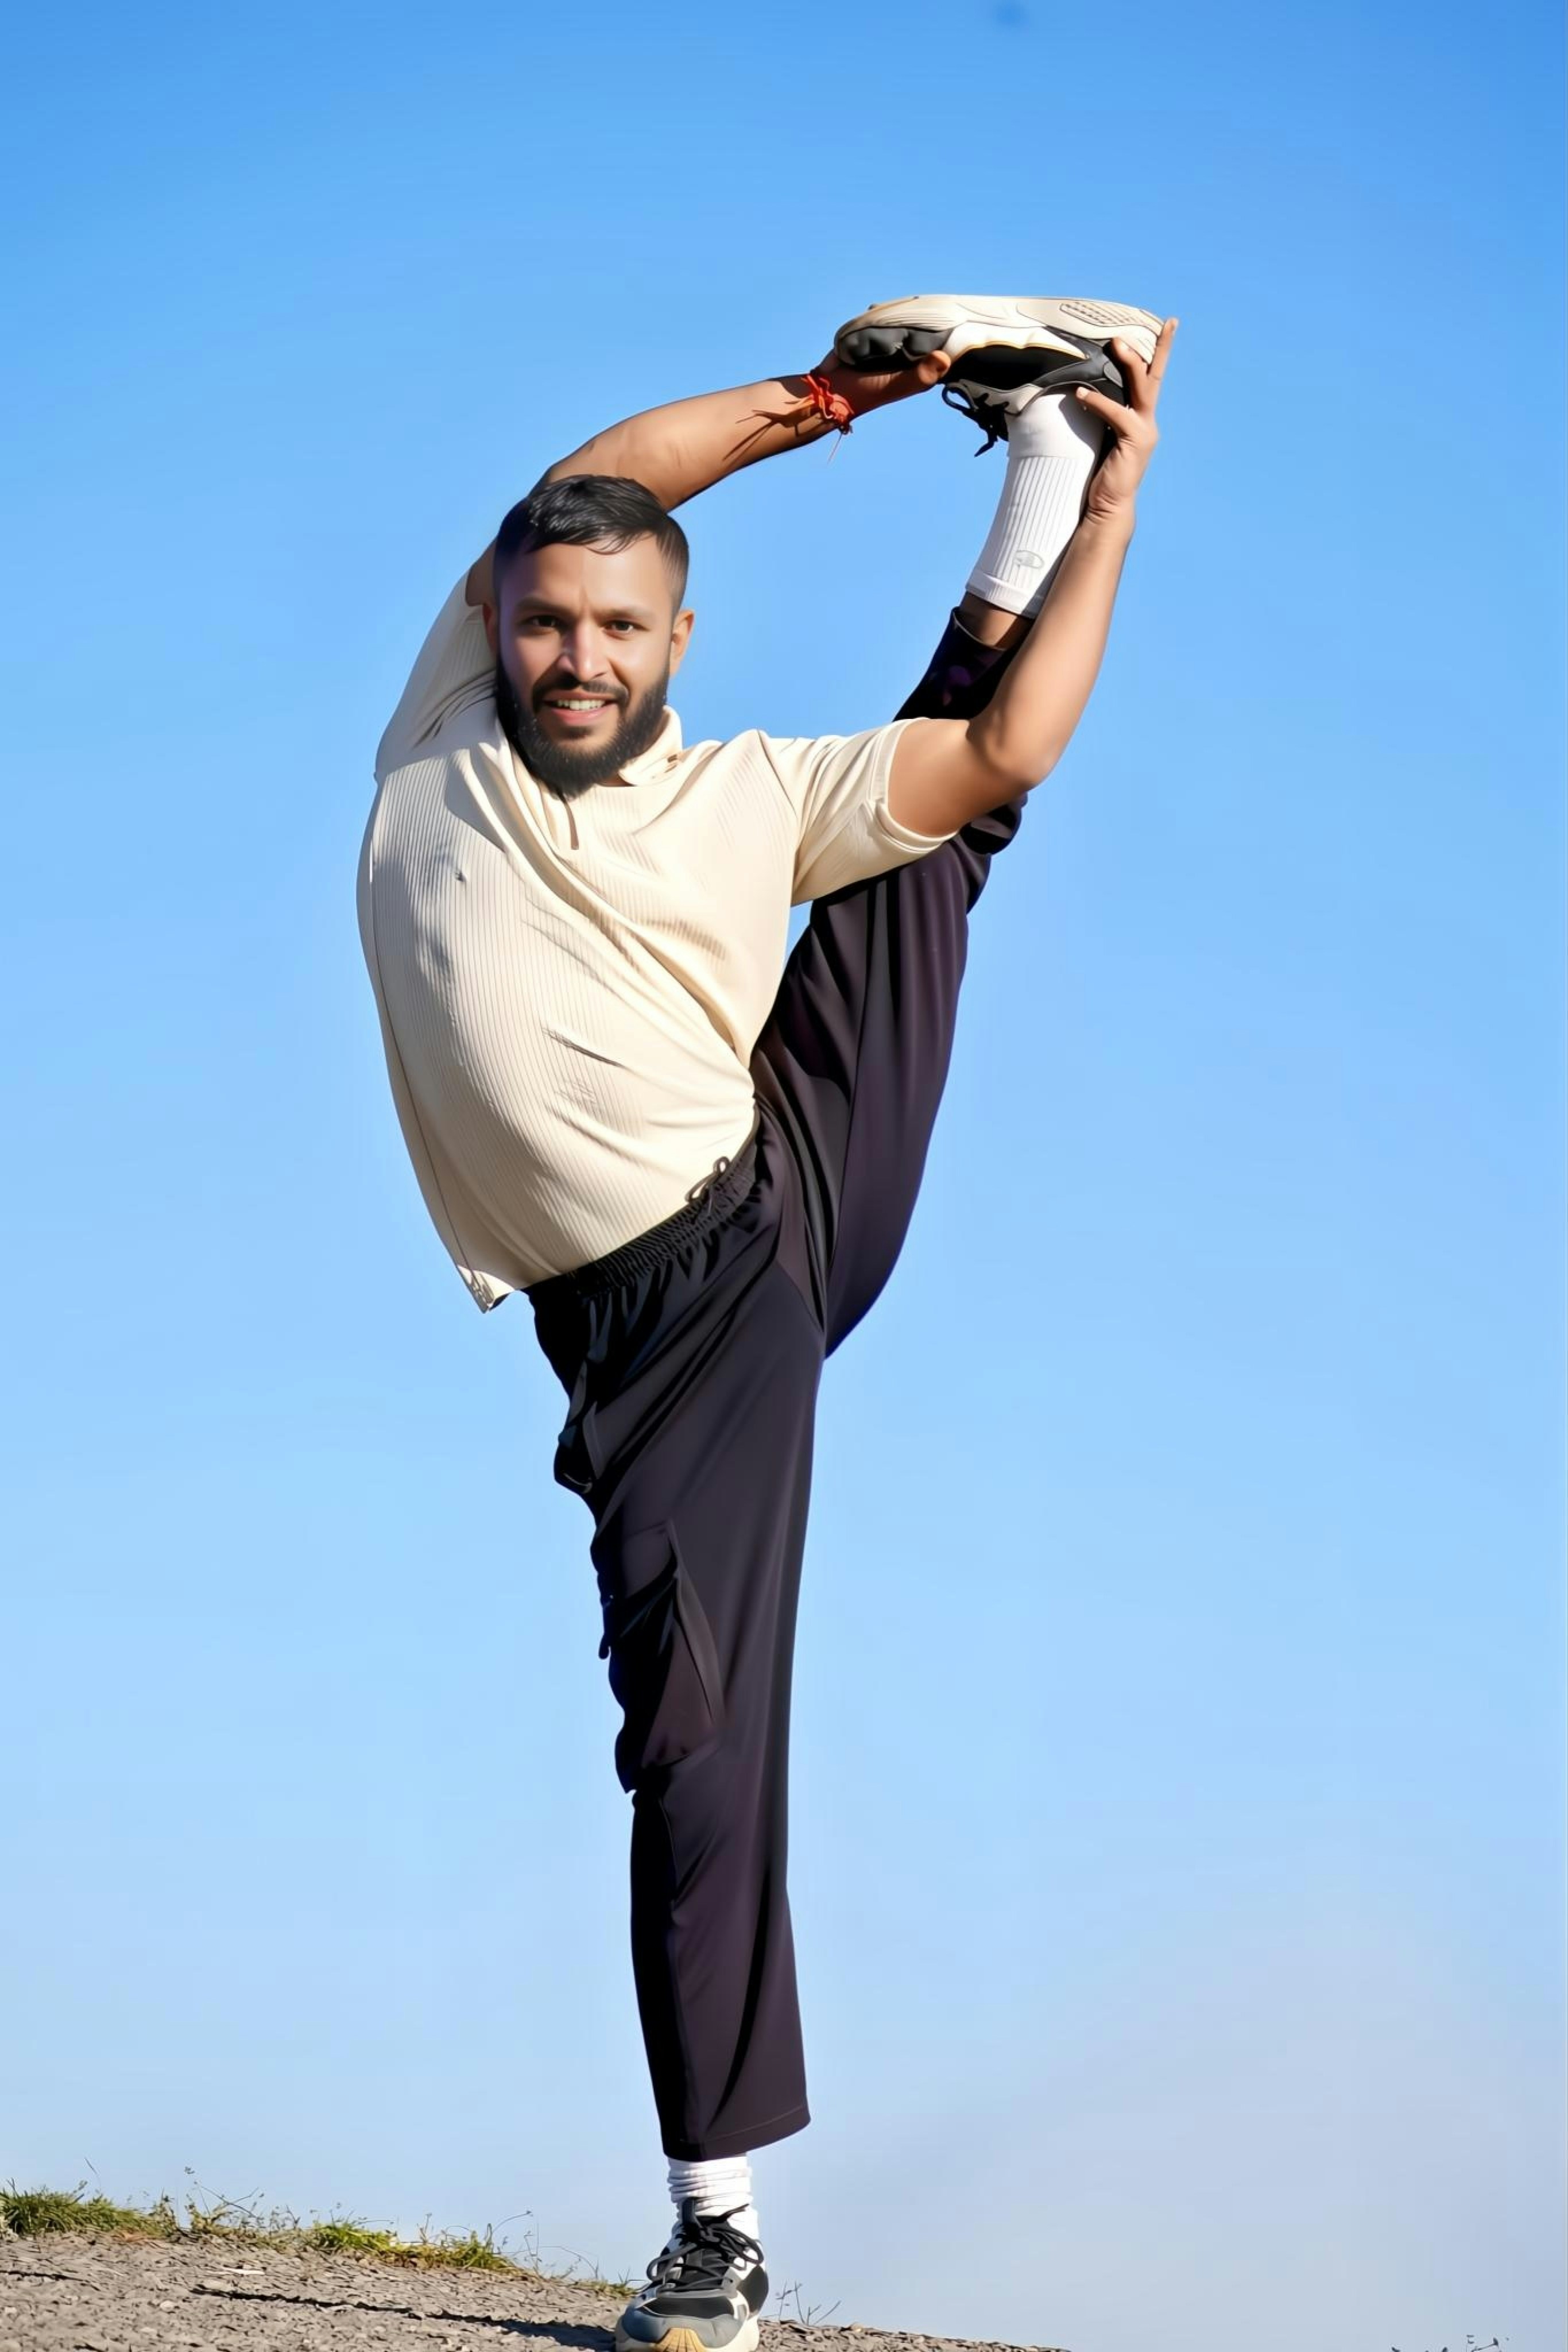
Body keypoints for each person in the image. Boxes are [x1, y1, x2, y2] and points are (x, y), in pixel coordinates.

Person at [357, 292, 1177, 2352]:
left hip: (742, 1277)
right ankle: (1033, 453)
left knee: (694, 1727)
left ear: (676, 648)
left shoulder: (742, 789)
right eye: (551, 622)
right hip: (621, 1309)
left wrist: (1120, 531)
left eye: (621, 631)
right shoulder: (442, 727)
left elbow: (1003, 747)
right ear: (501, 622)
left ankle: (712, 2232)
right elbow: (620, 467)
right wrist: (831, 398)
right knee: (925, 852)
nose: (576, 657)